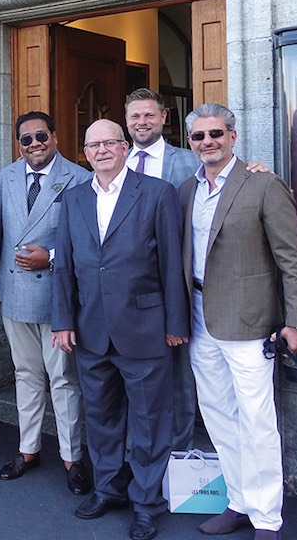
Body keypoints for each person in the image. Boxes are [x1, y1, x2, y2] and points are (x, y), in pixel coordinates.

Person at [179, 104, 297, 540]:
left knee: (257, 421)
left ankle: (267, 518)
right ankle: (238, 501)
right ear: (190, 142)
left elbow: (292, 259)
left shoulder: (263, 184)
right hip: (198, 317)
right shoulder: (186, 191)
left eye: (216, 133)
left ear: (233, 136)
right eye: (198, 136)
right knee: (218, 415)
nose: (207, 142)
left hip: (250, 319)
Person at [51, 119, 188, 540]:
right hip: (91, 329)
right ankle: (108, 488)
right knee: (102, 416)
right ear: (85, 153)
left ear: (125, 147)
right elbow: (65, 267)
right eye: (93, 144)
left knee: (149, 422)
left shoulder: (157, 194)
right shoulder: (73, 198)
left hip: (145, 328)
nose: (101, 150)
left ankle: (147, 503)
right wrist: (62, 321)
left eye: (109, 142)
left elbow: (172, 263)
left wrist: (175, 323)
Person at [0, 111, 92, 494]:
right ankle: (27, 449)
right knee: (26, 376)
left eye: (41, 136)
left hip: (57, 296)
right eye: (26, 139)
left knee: (64, 379)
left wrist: (49, 257)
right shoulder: (6, 176)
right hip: (14, 293)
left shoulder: (80, 178)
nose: (34, 144)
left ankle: (72, 457)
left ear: (55, 137)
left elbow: (88, 243)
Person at [124, 88, 200, 451]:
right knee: (133, 377)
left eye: (149, 115)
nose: (142, 122)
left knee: (180, 377)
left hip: (176, 283)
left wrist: (255, 168)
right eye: (135, 116)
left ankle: (180, 456)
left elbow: (230, 177)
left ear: (163, 118)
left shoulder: (189, 161)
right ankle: (138, 455)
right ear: (126, 122)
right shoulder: (113, 161)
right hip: (128, 290)